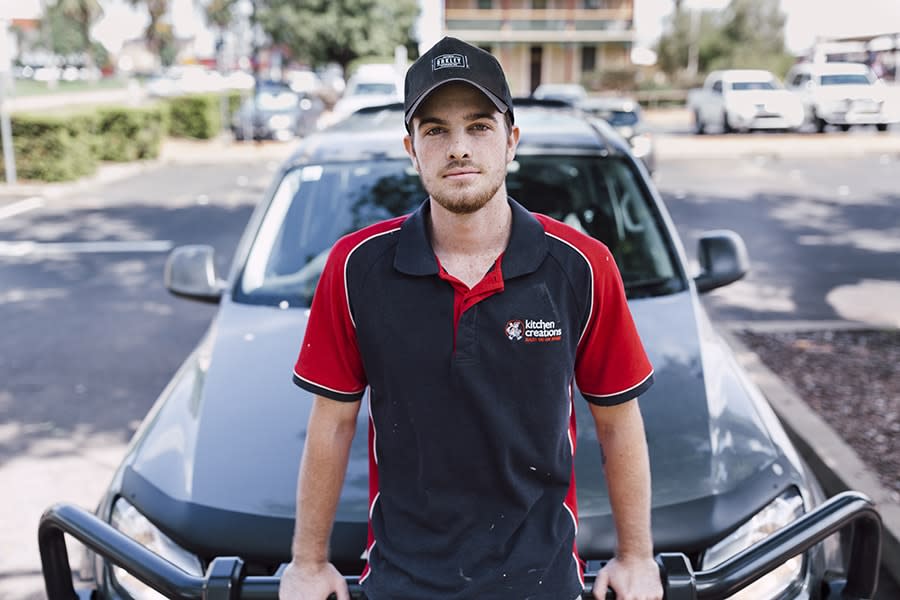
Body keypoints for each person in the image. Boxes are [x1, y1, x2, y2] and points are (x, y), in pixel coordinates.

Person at [279, 36, 662, 600]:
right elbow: (332, 423)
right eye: (435, 130)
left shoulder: (582, 265)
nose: (458, 147)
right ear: (411, 148)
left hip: (544, 581)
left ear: (511, 142)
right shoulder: (355, 267)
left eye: (479, 126)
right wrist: (308, 563)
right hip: (401, 582)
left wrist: (635, 556)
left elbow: (618, 421)